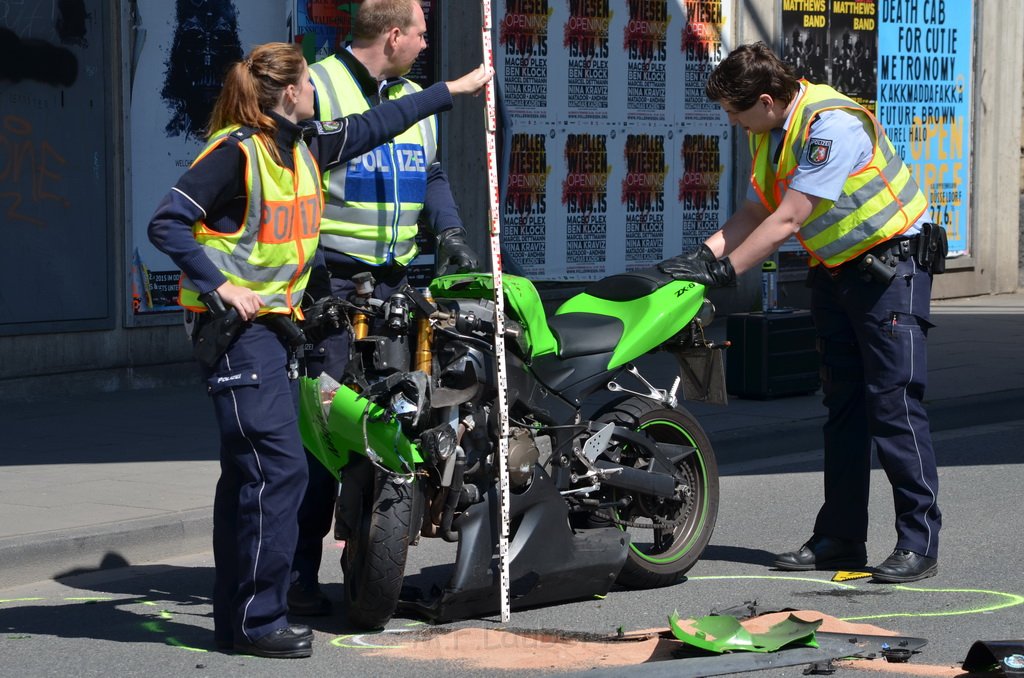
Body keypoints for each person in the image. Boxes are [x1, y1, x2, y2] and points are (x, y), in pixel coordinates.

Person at [148, 41, 489, 657]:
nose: (315, 92)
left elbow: (375, 123)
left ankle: (238, 619)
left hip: (275, 332)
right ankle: (262, 620)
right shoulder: (238, 153)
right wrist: (221, 284)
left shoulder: (301, 146)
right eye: (308, 83)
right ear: (288, 93)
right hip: (235, 336)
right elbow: (168, 220)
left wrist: (450, 93)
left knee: (250, 475)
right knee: (280, 468)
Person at [659, 42, 945, 584]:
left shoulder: (830, 126)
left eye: (734, 111)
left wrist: (725, 275)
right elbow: (755, 210)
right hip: (838, 275)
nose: (730, 120)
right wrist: (702, 256)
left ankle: (918, 542)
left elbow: (789, 219)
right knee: (842, 409)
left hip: (891, 272)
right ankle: (840, 537)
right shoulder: (769, 133)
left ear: (766, 101)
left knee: (894, 407)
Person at [289, 0, 482, 616]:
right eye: (421, 33)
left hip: (397, 283)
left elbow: (428, 173)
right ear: (393, 34)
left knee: (399, 412)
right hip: (334, 283)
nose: (427, 44)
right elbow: (324, 156)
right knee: (321, 435)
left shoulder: (411, 92)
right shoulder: (319, 85)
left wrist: (449, 232)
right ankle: (297, 574)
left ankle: (379, 540)